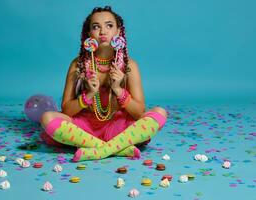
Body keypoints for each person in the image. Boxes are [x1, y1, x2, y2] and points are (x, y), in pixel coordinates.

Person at [40, 6, 167, 162]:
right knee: (47, 117)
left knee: (160, 112)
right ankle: (117, 149)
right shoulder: (78, 64)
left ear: (118, 31)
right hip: (85, 129)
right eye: (96, 27)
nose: (103, 32)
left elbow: (138, 111)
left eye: (109, 25)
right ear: (88, 34)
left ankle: (97, 151)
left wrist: (118, 89)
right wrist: (89, 95)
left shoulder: (129, 66)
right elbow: (66, 110)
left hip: (120, 127)